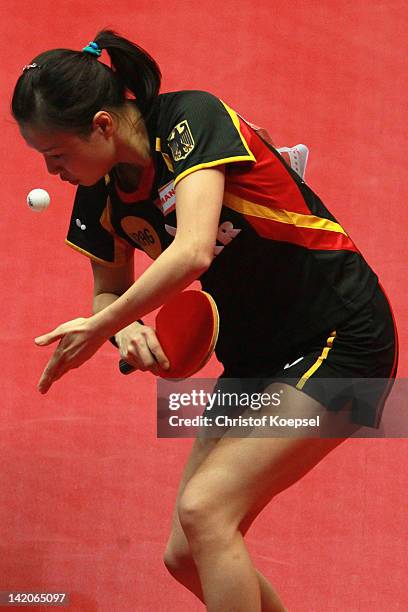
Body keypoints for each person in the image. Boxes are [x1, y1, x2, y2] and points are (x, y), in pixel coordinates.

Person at [12, 30, 398, 612]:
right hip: (256, 356)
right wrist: (123, 328)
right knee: (185, 554)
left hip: (339, 331)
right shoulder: (99, 194)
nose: (51, 170)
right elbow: (109, 293)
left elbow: (192, 250)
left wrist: (102, 326)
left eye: (57, 154)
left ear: (102, 125)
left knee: (206, 511)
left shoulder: (192, 120)